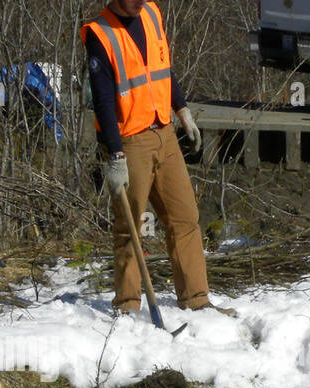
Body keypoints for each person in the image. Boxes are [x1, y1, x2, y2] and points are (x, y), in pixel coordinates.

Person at [81, 0, 212, 313]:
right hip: (130, 141)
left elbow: (163, 69)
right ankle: (128, 303)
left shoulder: (151, 13)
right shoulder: (101, 33)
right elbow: (102, 102)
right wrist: (115, 155)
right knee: (130, 224)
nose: (138, 3)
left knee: (184, 217)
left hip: (164, 131)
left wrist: (182, 111)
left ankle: (196, 300)